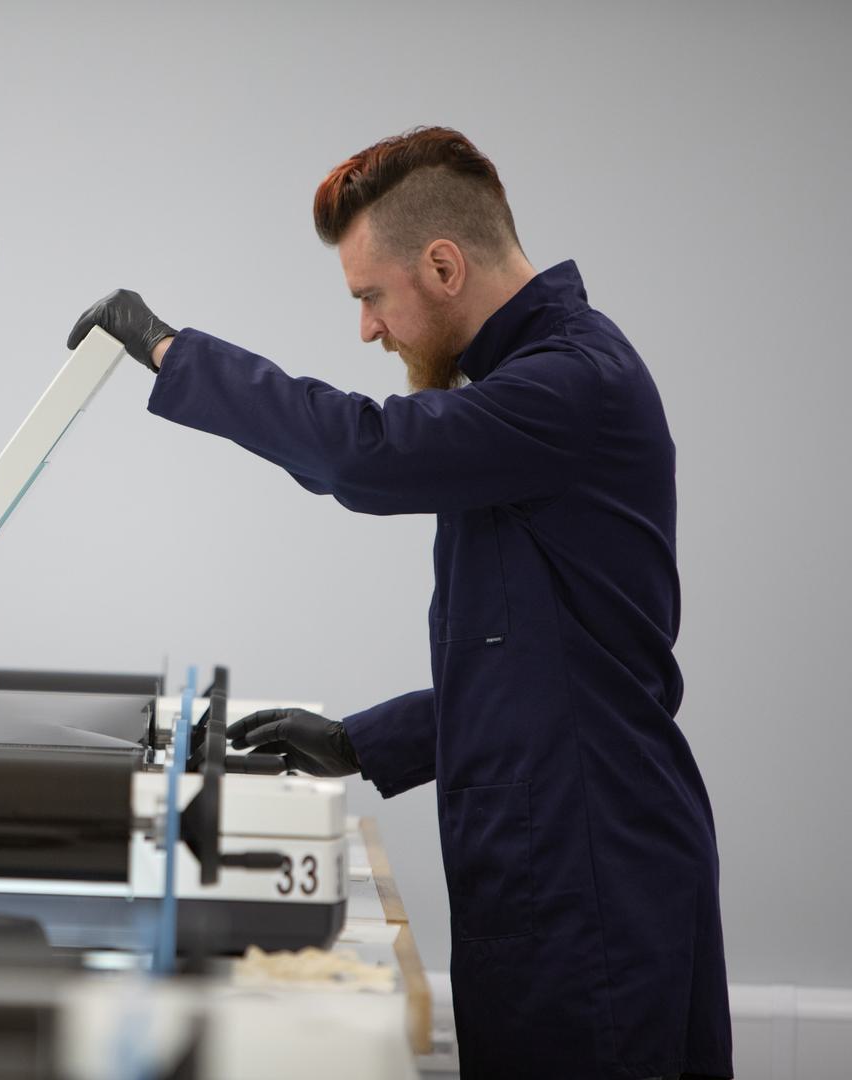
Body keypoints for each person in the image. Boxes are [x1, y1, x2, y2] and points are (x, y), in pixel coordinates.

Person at [67, 127, 732, 1080]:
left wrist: (175, 355)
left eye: (371, 297)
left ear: (445, 265)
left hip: (594, 875)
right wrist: (362, 742)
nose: (369, 329)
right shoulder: (524, 396)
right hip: (560, 858)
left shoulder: (569, 385)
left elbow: (363, 454)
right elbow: (544, 666)